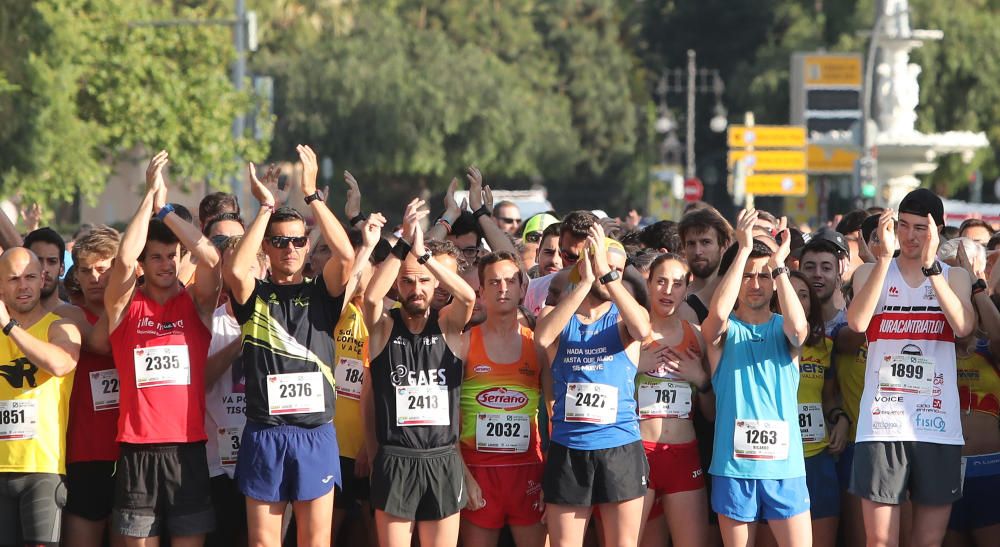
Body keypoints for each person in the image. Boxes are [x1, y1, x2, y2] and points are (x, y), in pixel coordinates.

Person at [223, 146, 355, 547]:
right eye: (279, 242)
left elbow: (347, 255)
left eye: (298, 242)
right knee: (263, 543)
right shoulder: (254, 295)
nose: (290, 249)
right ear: (266, 246)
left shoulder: (322, 294)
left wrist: (312, 194)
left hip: (314, 433)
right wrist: (266, 207)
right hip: (266, 433)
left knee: (315, 542)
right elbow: (233, 269)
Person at [104, 150, 221, 545]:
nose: (166, 264)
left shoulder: (197, 303)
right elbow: (122, 257)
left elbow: (209, 256)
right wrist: (148, 198)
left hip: (187, 450)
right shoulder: (124, 306)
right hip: (137, 452)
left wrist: (165, 209)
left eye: (171, 256)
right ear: (143, 263)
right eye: (155, 257)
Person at [846, 190, 975, 547]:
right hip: (881, 424)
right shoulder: (871, 273)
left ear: (938, 230)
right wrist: (884, 261)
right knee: (880, 542)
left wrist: (933, 268)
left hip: (936, 425)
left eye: (921, 228)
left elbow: (964, 327)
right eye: (903, 225)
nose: (910, 236)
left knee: (928, 542)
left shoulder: (954, 277)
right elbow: (857, 323)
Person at [362, 198, 475, 547]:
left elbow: (468, 297)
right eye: (408, 282)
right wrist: (403, 244)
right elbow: (369, 298)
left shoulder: (448, 326)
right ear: (397, 286)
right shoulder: (383, 327)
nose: (416, 289)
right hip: (396, 459)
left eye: (424, 282)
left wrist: (425, 256)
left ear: (435, 285)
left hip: (442, 458)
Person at [535, 222, 651, 547]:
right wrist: (584, 281)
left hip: (619, 446)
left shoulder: (624, 315)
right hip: (569, 449)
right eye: (601, 264)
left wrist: (608, 276)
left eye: (616, 269)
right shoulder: (557, 313)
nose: (607, 273)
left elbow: (643, 330)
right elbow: (543, 337)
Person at [700, 209, 812, 547]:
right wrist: (744, 249)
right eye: (748, 276)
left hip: (785, 468)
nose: (755, 284)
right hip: (734, 468)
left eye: (763, 277)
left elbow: (800, 329)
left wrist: (779, 265)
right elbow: (716, 316)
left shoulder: (783, 326)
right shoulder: (725, 331)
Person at [459, 251, 545, 547]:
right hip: (478, 471)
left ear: (523, 288)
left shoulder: (538, 345)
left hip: (528, 472)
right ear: (481, 292)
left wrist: (554, 476)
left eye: (510, 281)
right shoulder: (464, 342)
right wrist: (463, 475)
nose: (503, 288)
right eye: (494, 282)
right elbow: (447, 417)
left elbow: (554, 410)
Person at [758, 270, 848, 547]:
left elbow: (829, 397)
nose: (796, 301)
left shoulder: (826, 345)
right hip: (771, 461)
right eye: (788, 293)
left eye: (803, 295)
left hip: (816, 458)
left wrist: (841, 419)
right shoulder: (756, 343)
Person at [0, 247, 82, 546]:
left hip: (42, 470)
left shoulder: (61, 327)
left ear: (42, 280)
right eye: (13, 278)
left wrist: (9, 327)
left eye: (30, 277)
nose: (23, 285)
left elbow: (60, 363)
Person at [636, 253, 711, 547]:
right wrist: (632, 366)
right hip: (637, 453)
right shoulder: (630, 333)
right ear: (649, 284)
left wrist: (701, 380)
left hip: (683, 455)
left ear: (687, 289)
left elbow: (713, 413)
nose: (668, 291)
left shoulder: (697, 336)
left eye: (677, 284)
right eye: (661, 282)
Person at [64, 227, 124, 547]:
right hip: (83, 453)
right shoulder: (69, 315)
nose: (94, 278)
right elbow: (99, 344)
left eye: (103, 269)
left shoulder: (137, 313)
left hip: (131, 453)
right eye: (85, 270)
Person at [678, 207, 734, 325]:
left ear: (724, 245)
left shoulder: (738, 297)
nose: (698, 251)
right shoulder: (676, 297)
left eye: (706, 242)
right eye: (691, 244)